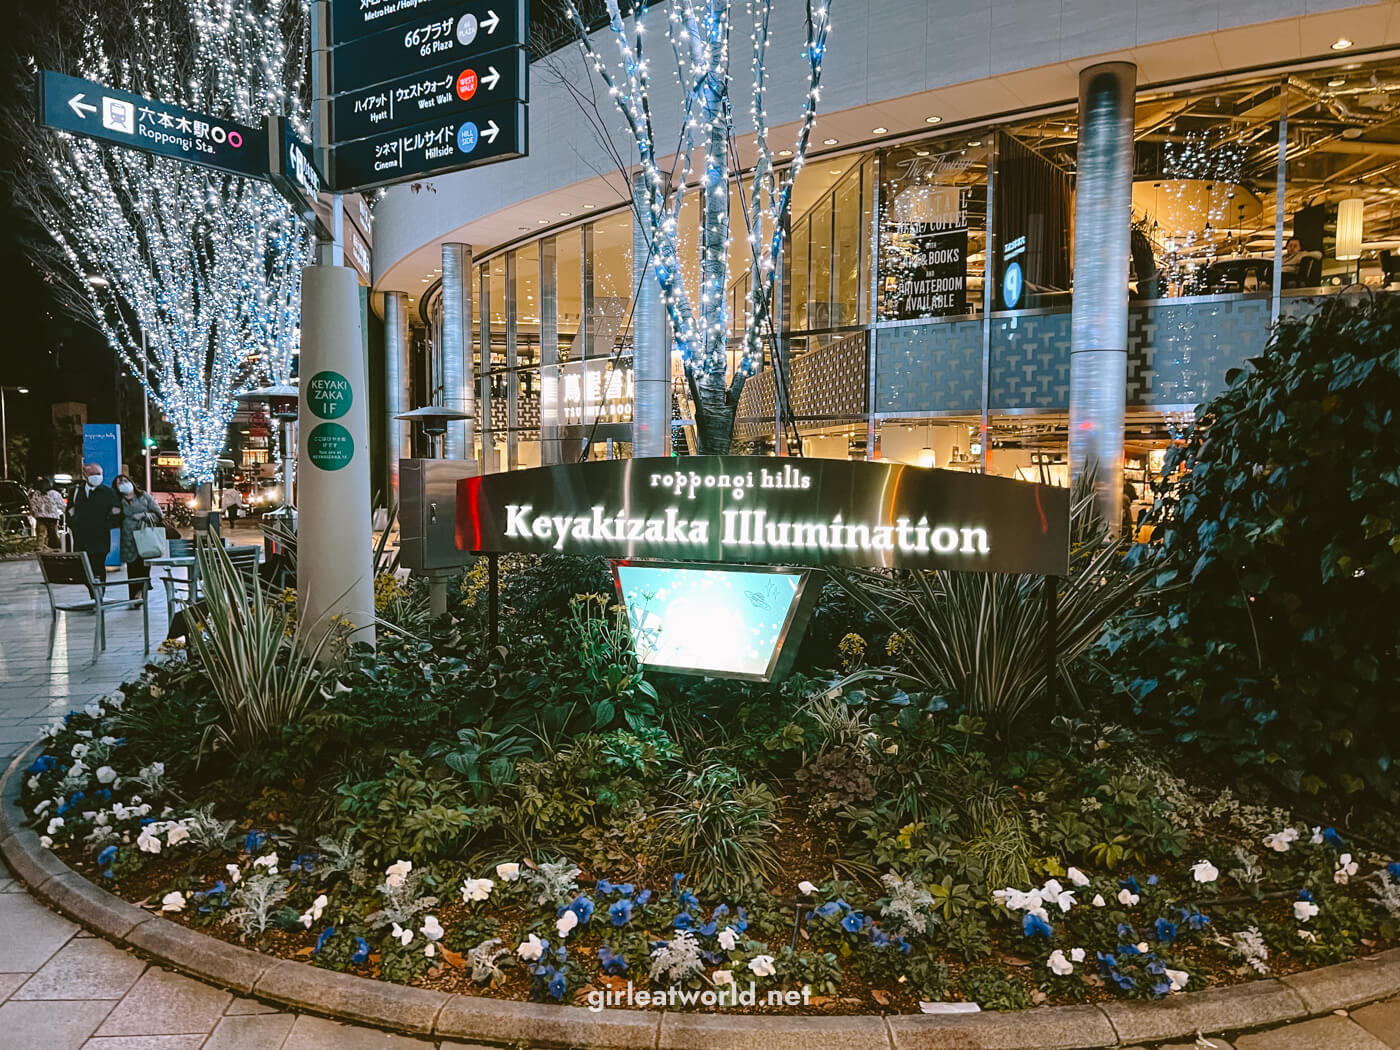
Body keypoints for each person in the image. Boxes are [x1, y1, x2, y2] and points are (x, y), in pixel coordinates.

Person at [113, 474, 164, 599]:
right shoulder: (117, 500)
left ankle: (142, 593)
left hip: (145, 537)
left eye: (125, 481)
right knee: (132, 568)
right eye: (119, 483)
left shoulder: (144, 496)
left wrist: (144, 515)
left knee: (143, 567)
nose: (123, 484)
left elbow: (159, 515)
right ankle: (134, 597)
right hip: (128, 539)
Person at [69, 463, 120, 581]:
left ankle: (98, 596)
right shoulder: (76, 491)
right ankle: (94, 594)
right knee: (85, 572)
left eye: (99, 474)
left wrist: (105, 525)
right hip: (81, 540)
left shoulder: (108, 493)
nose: (96, 476)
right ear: (85, 475)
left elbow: (116, 514)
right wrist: (75, 524)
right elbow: (70, 510)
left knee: (98, 570)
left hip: (100, 540)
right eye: (92, 474)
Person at [29, 476, 65, 550]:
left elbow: (33, 505)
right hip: (52, 517)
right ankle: (55, 547)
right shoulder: (54, 493)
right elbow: (61, 504)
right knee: (53, 533)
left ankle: (40, 547)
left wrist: (34, 513)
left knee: (41, 533)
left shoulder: (36, 494)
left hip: (40, 517)